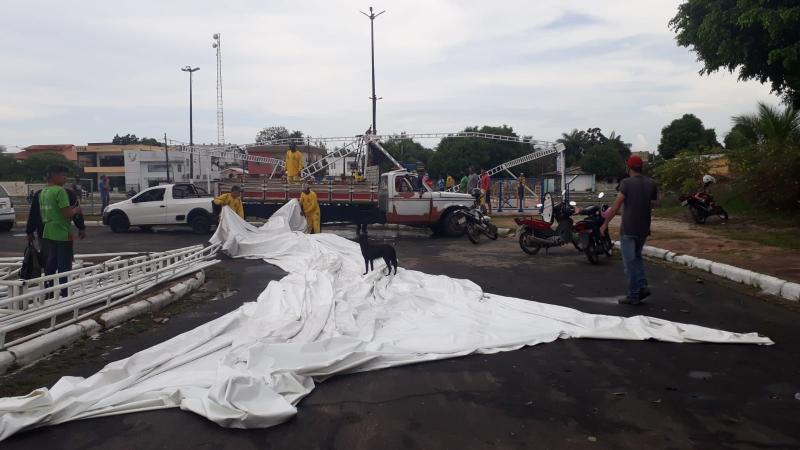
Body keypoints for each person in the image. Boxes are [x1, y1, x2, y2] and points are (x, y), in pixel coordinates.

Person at [600, 155, 657, 305]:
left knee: (629, 262)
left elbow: (616, 206)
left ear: (629, 167)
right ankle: (642, 286)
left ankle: (633, 294)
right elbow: (652, 204)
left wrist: (605, 224)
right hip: (644, 228)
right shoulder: (651, 183)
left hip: (629, 228)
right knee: (636, 257)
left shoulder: (626, 183)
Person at [37, 165, 82, 298]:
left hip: (49, 231)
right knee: (64, 264)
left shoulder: (44, 192)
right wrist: (76, 210)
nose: (65, 178)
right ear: (54, 175)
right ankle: (65, 291)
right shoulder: (60, 191)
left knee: (51, 261)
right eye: (63, 175)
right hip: (62, 232)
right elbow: (66, 213)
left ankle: (49, 289)